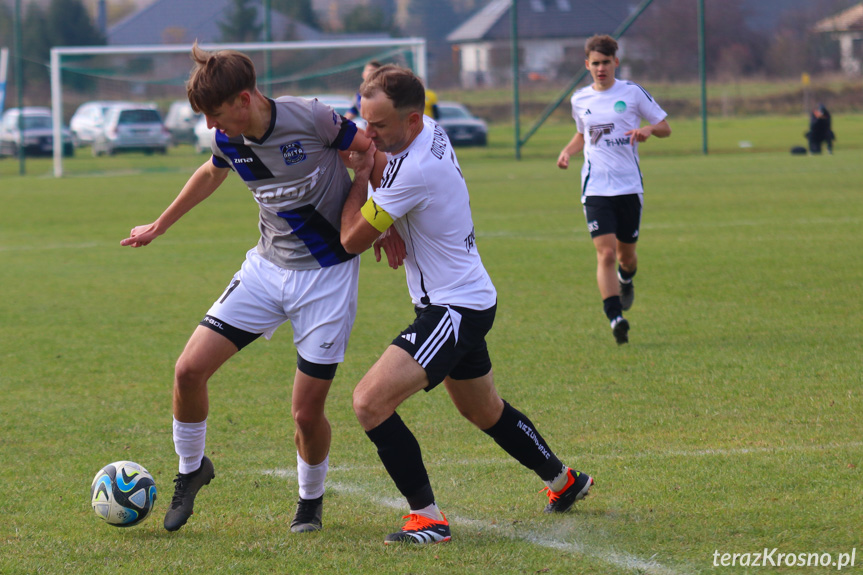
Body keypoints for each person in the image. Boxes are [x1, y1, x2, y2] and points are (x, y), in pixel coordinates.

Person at [120, 43, 396, 534]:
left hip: (326, 278)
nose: (211, 126)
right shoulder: (228, 138)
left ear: (245, 99)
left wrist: (383, 221)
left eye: (217, 114)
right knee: (188, 370)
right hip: (265, 271)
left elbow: (368, 151)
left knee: (305, 413)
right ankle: (191, 470)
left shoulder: (311, 119)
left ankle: (309, 502)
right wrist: (160, 225)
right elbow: (211, 172)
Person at [340, 65, 593, 545]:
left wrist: (358, 183)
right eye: (364, 122)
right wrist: (389, 219)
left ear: (412, 121)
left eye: (379, 126)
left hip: (452, 309)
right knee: (485, 411)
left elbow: (352, 239)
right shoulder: (430, 129)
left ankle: (428, 519)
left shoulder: (415, 167)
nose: (368, 135)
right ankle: (564, 482)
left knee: (369, 402)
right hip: (469, 298)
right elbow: (384, 167)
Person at [557, 34, 671, 345]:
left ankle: (627, 279)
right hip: (595, 187)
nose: (601, 68)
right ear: (587, 65)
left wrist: (647, 129)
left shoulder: (632, 93)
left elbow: (665, 126)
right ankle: (615, 317)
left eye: (606, 62)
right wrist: (568, 151)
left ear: (615, 63)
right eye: (595, 63)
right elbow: (583, 135)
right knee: (605, 253)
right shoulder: (580, 99)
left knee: (626, 257)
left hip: (629, 187)